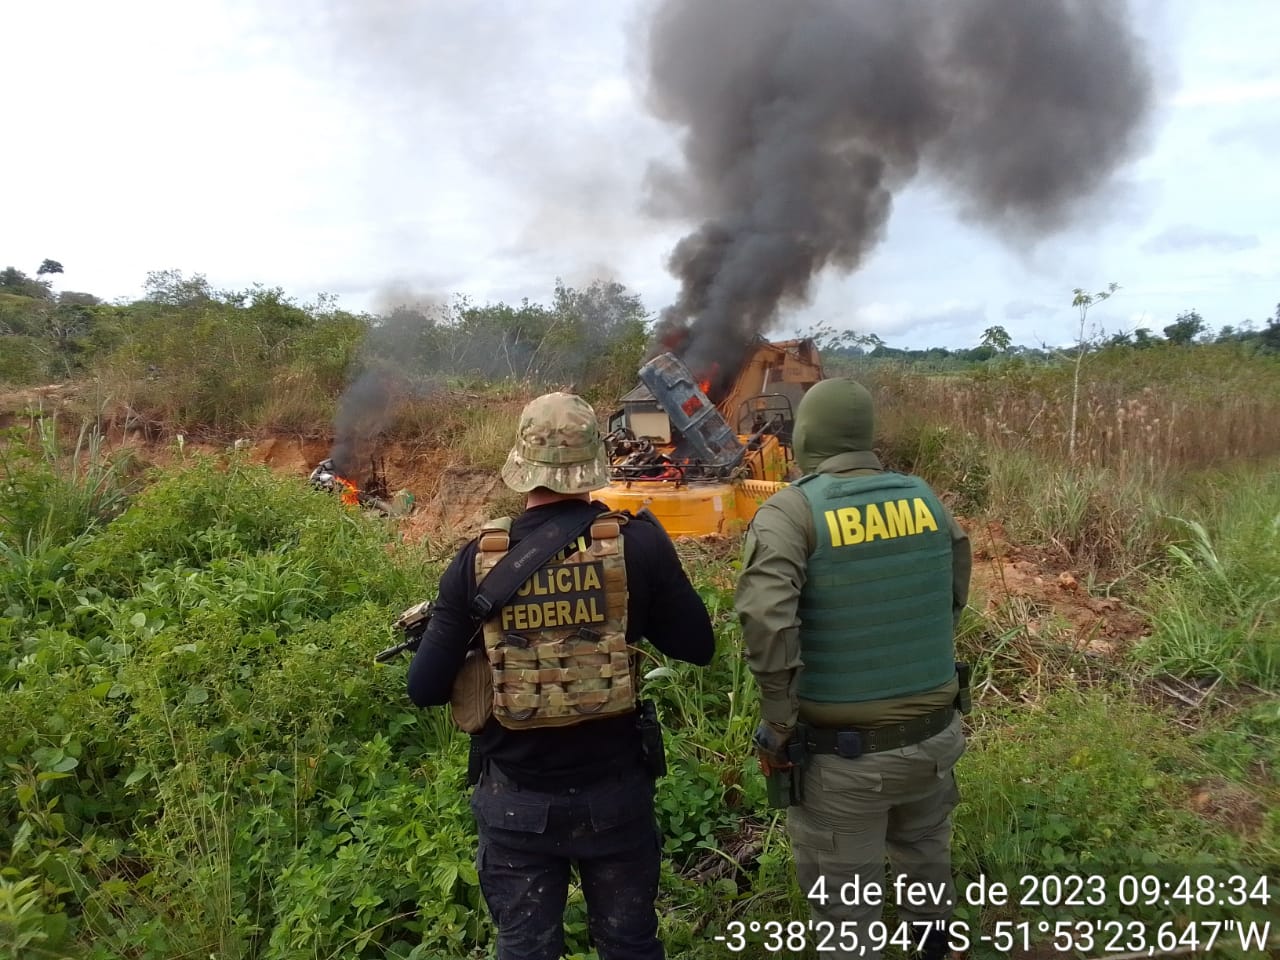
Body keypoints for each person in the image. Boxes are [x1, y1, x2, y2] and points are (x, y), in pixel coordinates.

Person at [407, 391, 715, 960]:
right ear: (594, 461)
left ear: (522, 463)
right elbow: (698, 647)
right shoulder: (637, 544)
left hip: (516, 806)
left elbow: (423, 688)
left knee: (524, 949)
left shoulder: (478, 559)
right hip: (615, 800)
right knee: (629, 945)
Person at [735, 378, 971, 960]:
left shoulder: (791, 512)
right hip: (936, 739)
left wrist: (779, 722)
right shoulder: (926, 498)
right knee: (927, 868)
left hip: (845, 762)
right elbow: (952, 596)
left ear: (805, 437)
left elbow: (766, 623)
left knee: (847, 913)